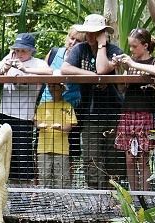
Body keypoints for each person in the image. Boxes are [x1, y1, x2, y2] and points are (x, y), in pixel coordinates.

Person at [61, 14, 125, 190]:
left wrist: (102, 44)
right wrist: (93, 77)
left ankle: (115, 195)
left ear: (102, 33)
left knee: (113, 156)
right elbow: (65, 68)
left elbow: (102, 68)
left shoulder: (114, 51)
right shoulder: (79, 49)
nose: (90, 36)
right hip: (89, 113)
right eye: (87, 32)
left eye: (94, 33)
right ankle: (94, 195)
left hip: (112, 112)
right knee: (91, 156)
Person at [0, 33, 52, 185]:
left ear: (31, 50)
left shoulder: (37, 63)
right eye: (17, 50)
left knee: (22, 154)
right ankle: (8, 191)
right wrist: (4, 68)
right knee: (5, 153)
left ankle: (25, 192)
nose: (19, 54)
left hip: (24, 116)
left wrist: (25, 70)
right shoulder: (8, 58)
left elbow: (49, 73)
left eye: (23, 51)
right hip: (5, 113)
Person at [112, 28, 155, 191]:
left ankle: (145, 196)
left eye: (134, 46)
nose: (132, 50)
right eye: (131, 47)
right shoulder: (130, 64)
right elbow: (121, 89)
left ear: (145, 45)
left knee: (143, 157)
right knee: (129, 158)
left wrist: (133, 64)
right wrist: (118, 68)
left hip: (145, 113)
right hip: (128, 112)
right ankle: (133, 195)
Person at [40, 27, 85, 186]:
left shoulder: (82, 57)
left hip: (70, 107)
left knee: (69, 149)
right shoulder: (53, 53)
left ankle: (67, 187)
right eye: (71, 38)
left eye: (78, 40)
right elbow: (42, 73)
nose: (73, 42)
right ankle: (42, 189)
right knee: (43, 147)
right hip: (47, 106)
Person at [35, 83, 77, 188]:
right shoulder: (42, 106)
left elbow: (70, 125)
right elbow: (36, 122)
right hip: (43, 148)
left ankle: (63, 203)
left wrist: (61, 128)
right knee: (44, 178)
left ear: (62, 88)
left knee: (62, 179)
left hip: (61, 149)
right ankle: (44, 202)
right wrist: (40, 125)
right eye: (50, 86)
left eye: (55, 86)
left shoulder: (67, 106)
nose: (52, 89)